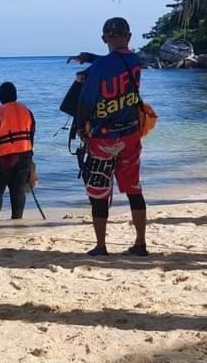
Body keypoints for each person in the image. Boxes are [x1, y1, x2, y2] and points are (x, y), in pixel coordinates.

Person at [73, 17, 148, 257]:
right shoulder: (135, 61)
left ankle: (101, 246)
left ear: (104, 38)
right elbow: (116, 60)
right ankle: (140, 243)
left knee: (99, 192)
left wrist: (78, 126)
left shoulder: (99, 68)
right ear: (129, 36)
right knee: (134, 190)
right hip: (130, 134)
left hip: (103, 138)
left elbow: (85, 101)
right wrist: (92, 57)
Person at [0, 82, 36, 222]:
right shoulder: (27, 111)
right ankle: (17, 221)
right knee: (18, 191)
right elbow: (31, 134)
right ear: (15, 95)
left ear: (0, 97)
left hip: (0, 159)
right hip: (24, 156)